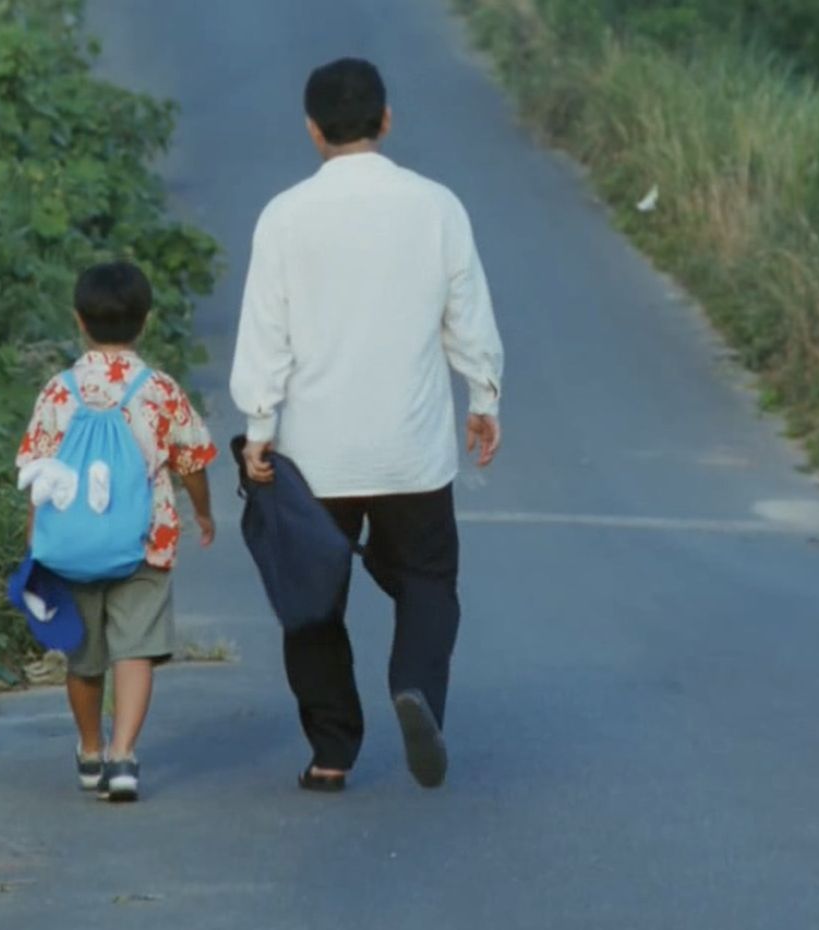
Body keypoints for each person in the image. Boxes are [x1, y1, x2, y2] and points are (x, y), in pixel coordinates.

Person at [230, 58, 504, 790]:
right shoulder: (436, 206)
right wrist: (484, 397)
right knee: (427, 577)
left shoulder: (285, 215)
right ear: (386, 122)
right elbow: (466, 312)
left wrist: (259, 425)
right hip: (411, 448)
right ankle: (414, 688)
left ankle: (330, 751)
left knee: (311, 595)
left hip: (314, 453)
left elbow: (266, 331)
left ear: (313, 132)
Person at [17, 261, 217, 802]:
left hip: (69, 545)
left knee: (83, 658)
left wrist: (36, 541)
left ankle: (89, 750)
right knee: (135, 650)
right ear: (145, 322)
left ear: (78, 321)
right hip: (143, 543)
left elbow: (35, 472)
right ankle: (124, 754)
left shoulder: (58, 392)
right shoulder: (158, 390)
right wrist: (203, 511)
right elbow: (193, 459)